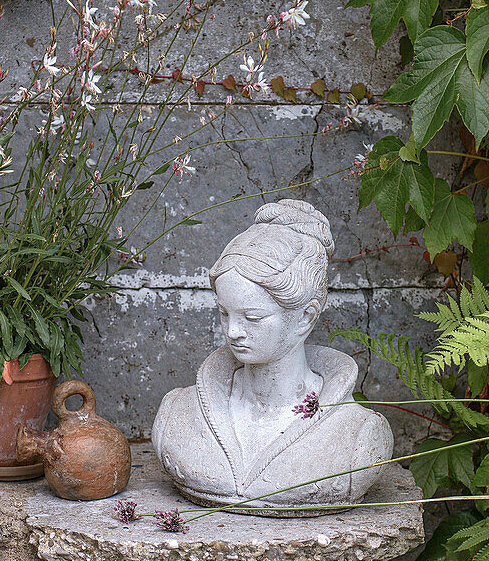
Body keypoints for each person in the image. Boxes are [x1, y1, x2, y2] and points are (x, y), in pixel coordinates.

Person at [151, 199, 393, 515]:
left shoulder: (358, 435)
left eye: (252, 317)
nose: (233, 331)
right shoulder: (176, 414)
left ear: (305, 318)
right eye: (225, 313)